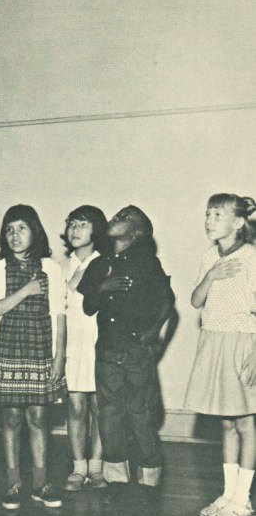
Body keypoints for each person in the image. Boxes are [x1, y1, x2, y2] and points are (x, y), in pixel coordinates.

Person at [77, 206, 175, 500]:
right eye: (116, 215)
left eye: (124, 218)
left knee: (139, 413)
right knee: (108, 414)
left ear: (137, 233)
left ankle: (149, 477)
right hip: (106, 350)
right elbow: (88, 307)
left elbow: (167, 301)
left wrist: (153, 334)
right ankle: (116, 476)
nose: (115, 218)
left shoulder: (147, 263)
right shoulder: (100, 263)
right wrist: (102, 287)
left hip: (136, 351)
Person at [0, 205, 66, 510]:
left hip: (40, 348)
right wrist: (27, 290)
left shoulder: (51, 268)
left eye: (21, 228)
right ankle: (13, 484)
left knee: (39, 417)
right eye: (9, 229)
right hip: (7, 349)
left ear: (35, 231)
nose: (14, 235)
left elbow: (59, 315)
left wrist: (60, 357)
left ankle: (41, 485)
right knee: (12, 417)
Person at [184, 194, 256, 516]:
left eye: (217, 215)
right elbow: (196, 300)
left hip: (242, 342)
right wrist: (211, 275)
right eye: (207, 214)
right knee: (226, 423)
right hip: (213, 339)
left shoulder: (250, 257)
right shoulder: (210, 256)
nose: (209, 220)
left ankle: (243, 499)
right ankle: (228, 494)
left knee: (246, 423)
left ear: (238, 223)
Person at [60, 205, 109, 491]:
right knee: (76, 406)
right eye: (72, 224)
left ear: (96, 230)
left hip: (99, 342)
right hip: (71, 344)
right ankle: (78, 468)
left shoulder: (106, 263)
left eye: (83, 224)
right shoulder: (58, 266)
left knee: (100, 407)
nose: (75, 230)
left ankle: (97, 467)